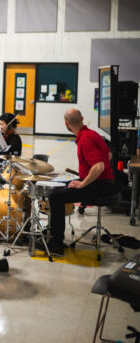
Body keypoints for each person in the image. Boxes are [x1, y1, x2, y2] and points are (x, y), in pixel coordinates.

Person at [43, 109, 117, 256]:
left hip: (99, 185)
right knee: (60, 187)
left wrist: (84, 183)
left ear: (66, 124)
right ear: (82, 118)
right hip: (103, 182)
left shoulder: (85, 139)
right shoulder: (93, 134)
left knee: (55, 197)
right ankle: (52, 232)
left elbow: (99, 166)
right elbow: (108, 154)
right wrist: (87, 175)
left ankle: (56, 244)